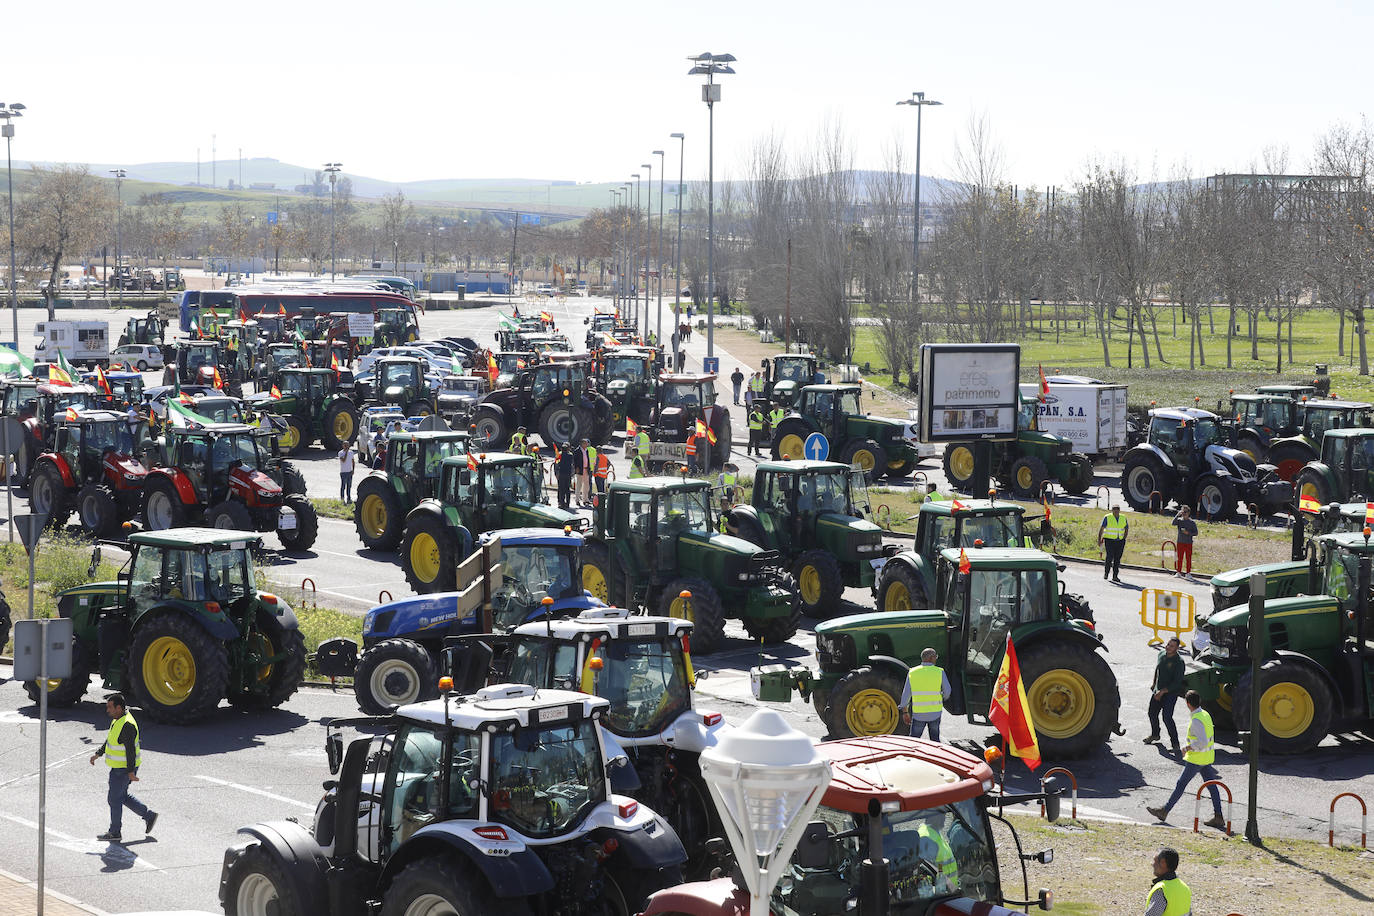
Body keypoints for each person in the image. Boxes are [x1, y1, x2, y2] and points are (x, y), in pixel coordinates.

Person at [1147, 691, 1227, 830]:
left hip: (1197, 758)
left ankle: (1164, 811)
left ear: (1188, 704)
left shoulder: (1196, 719)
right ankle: (1218, 816)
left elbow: (1201, 742)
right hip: (1206, 757)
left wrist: (1187, 748)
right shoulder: (1205, 715)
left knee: (1181, 784)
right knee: (1212, 787)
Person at [90, 693, 157, 842]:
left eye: (110, 707)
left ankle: (115, 832)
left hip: (123, 769)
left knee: (114, 799)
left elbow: (130, 751)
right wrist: (98, 754)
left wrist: (131, 772)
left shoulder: (126, 725)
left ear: (119, 708)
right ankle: (149, 815)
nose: (107, 710)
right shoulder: (118, 720)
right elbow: (111, 740)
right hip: (120, 768)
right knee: (121, 796)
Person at [1145, 638, 1185, 755]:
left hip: (1170, 693)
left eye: (1172, 646)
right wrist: (1154, 684)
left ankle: (1175, 744)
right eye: (1168, 644)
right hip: (1158, 690)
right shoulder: (1161, 654)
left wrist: (1162, 692)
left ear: (1177, 648)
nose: (1168, 647)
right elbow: (1158, 669)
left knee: (1167, 717)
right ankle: (1155, 734)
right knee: (1152, 713)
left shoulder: (1179, 662)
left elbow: (1177, 683)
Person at [900, 648, 951, 740]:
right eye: (935, 657)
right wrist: (941, 698)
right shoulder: (940, 671)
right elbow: (947, 691)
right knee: (935, 741)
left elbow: (906, 694)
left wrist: (905, 712)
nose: (936, 659)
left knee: (914, 741)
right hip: (935, 713)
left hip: (918, 714)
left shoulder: (912, 672)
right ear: (931, 658)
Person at [1142, 848, 1191, 916]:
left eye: (1155, 861)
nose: (1152, 864)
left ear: (1163, 863)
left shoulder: (1161, 890)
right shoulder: (1185, 888)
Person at [1097, 504, 1129, 582]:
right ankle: (1106, 573)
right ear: (1112, 510)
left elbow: (1126, 528)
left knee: (1117, 559)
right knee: (1109, 557)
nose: (1116, 510)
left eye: (1117, 509)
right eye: (1114, 509)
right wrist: (1099, 539)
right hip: (1109, 540)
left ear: (1119, 510)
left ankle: (1115, 576)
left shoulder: (1123, 517)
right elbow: (1101, 529)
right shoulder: (1107, 517)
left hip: (1120, 541)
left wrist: (1124, 538)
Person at [1172, 506, 1197, 576]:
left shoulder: (1192, 522)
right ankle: (1178, 572)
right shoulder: (1179, 520)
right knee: (1179, 558)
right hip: (1180, 542)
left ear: (1188, 513)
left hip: (1188, 543)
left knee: (1188, 559)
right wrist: (1177, 514)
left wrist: (1188, 533)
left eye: (1185, 512)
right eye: (1182, 512)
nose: (1184, 514)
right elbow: (1173, 523)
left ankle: (1188, 573)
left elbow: (1196, 533)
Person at [555, 440, 575, 510]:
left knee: (561, 489)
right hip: (568, 474)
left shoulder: (559, 455)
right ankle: (568, 503)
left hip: (561, 474)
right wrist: (572, 474)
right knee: (567, 489)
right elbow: (572, 465)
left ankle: (561, 503)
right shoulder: (570, 455)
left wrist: (556, 473)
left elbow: (556, 465)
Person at [575, 438, 593, 507]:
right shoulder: (577, 451)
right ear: (582, 444)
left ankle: (585, 499)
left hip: (586, 470)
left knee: (586, 485)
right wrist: (576, 468)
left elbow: (587, 459)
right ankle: (577, 500)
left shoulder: (586, 450)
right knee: (579, 485)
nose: (587, 444)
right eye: (585, 443)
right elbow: (575, 460)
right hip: (580, 470)